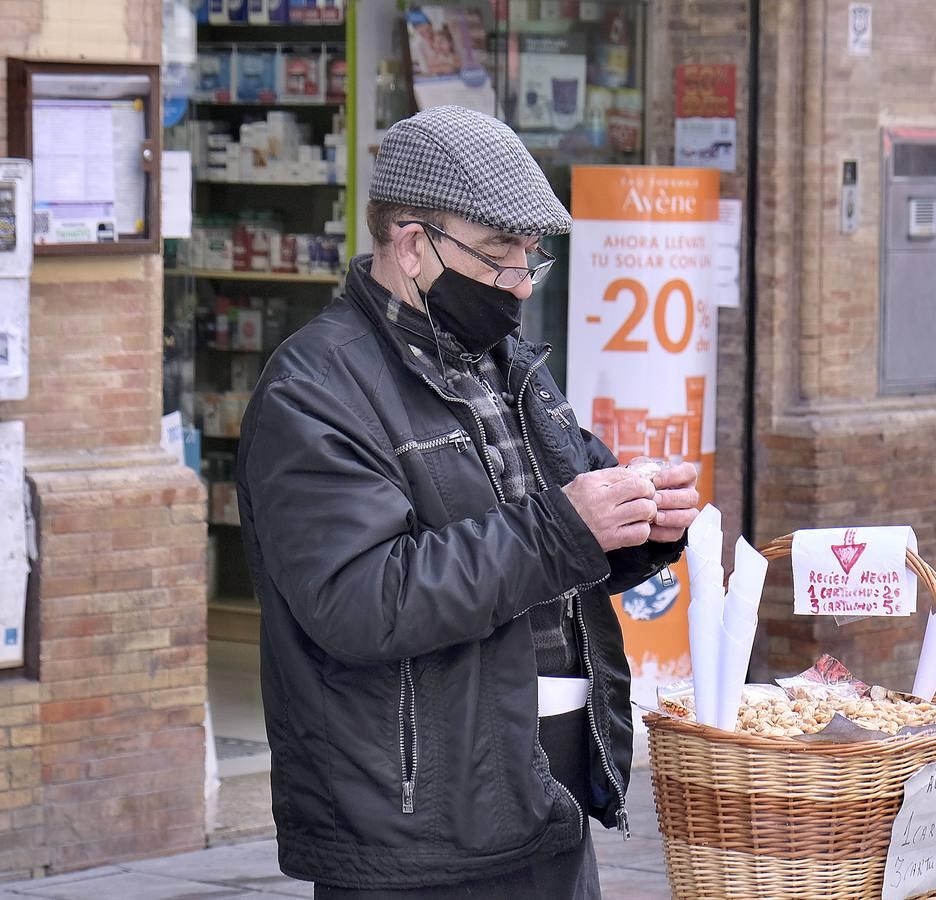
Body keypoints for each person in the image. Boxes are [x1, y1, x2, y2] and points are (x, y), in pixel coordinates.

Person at [235, 105, 699, 898]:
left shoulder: (505, 364)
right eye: (496, 254)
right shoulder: (313, 390)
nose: (519, 281)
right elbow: (362, 603)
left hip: (544, 799)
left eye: (529, 255)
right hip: (417, 834)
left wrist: (638, 525)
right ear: (412, 244)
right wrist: (565, 529)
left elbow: (563, 542)